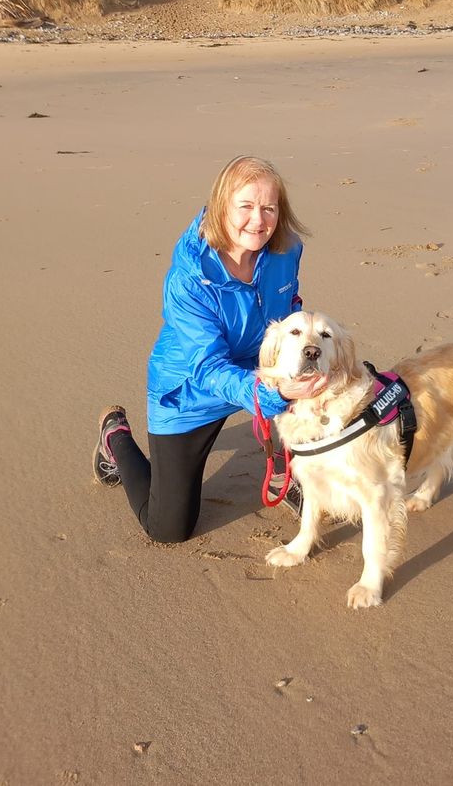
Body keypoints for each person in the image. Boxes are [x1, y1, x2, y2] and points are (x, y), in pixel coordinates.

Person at [92, 155, 326, 543]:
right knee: (168, 528)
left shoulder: (287, 249)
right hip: (190, 390)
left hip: (259, 369)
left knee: (322, 387)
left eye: (269, 208)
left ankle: (297, 470)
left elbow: (289, 311)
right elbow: (207, 369)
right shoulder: (188, 278)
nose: (259, 220)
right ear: (221, 208)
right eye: (246, 207)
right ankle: (114, 436)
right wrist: (274, 393)